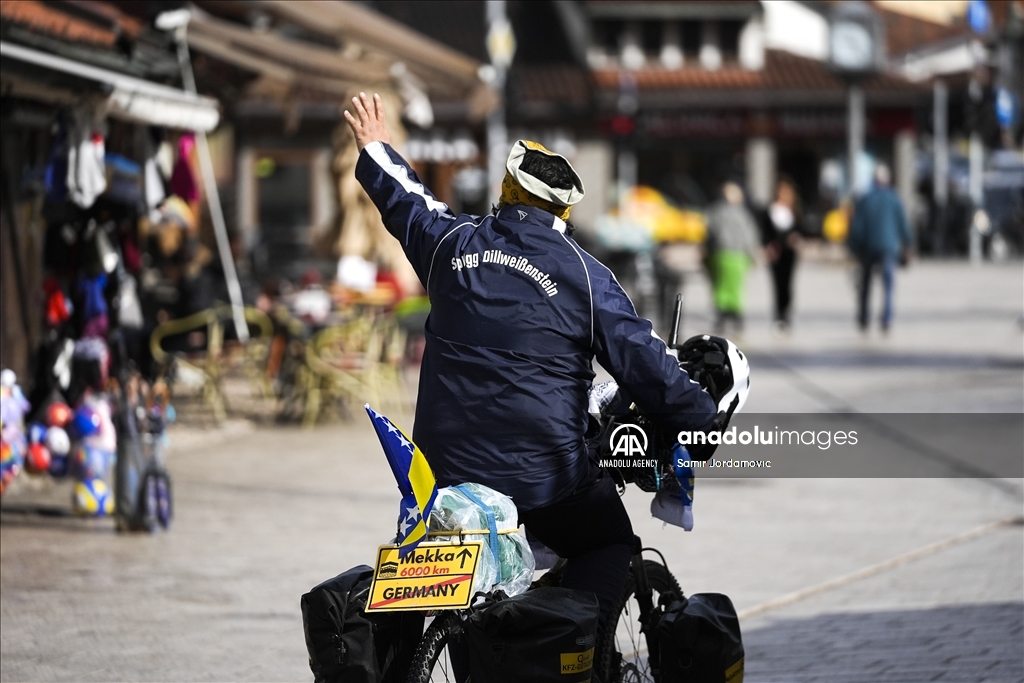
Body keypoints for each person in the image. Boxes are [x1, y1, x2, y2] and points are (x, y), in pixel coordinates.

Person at [344, 93, 720, 643]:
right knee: (610, 542)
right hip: (542, 479)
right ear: (564, 210)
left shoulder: (451, 245)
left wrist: (375, 147)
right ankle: (579, 655)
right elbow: (649, 365)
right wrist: (702, 414)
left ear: (506, 189)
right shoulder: (586, 278)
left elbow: (407, 202)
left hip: (442, 474)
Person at [847, 163, 912, 333]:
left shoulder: (866, 198)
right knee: (888, 285)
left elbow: (857, 227)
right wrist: (908, 244)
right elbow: (903, 225)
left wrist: (853, 247)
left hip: (868, 247)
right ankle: (887, 318)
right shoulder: (894, 198)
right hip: (888, 247)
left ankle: (864, 318)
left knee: (866, 284)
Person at [705, 182, 761, 334]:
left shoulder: (715, 211)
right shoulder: (743, 214)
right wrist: (753, 254)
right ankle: (737, 319)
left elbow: (709, 233)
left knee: (720, 287)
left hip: (720, 254)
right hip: (739, 255)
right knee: (736, 287)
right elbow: (750, 236)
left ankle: (721, 318)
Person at [761, 178, 802, 332]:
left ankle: (786, 314)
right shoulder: (769, 210)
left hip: (789, 253)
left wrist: (796, 238)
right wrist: (767, 246)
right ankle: (778, 314)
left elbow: (798, 229)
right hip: (775, 253)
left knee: (788, 284)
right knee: (776, 284)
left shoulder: (793, 211)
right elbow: (765, 232)